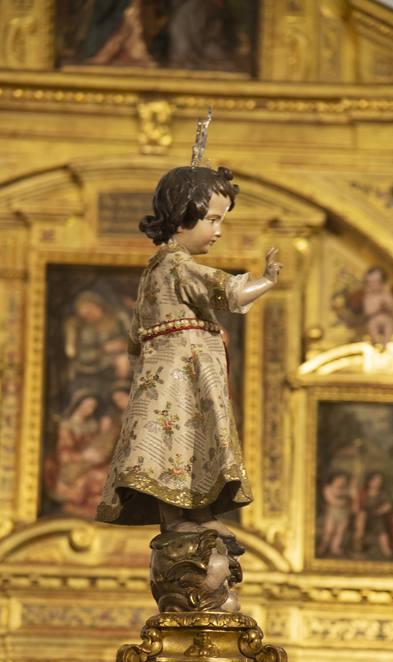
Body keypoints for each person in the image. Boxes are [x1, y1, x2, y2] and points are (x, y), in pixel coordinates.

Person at [96, 163, 281, 540]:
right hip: (177, 381)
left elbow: (136, 335)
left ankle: (199, 513)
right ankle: (178, 518)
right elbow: (229, 292)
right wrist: (266, 280)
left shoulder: (156, 269)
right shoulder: (176, 266)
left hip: (182, 378)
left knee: (192, 442)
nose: (218, 231)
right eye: (213, 219)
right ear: (184, 217)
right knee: (173, 443)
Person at [353, 471, 392, 558]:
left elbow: (388, 505)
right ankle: (358, 546)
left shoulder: (382, 493)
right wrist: (357, 508)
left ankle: (386, 549)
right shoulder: (363, 492)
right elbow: (356, 507)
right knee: (361, 519)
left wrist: (381, 510)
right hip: (363, 516)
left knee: (381, 529)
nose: (377, 483)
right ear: (369, 481)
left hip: (377, 515)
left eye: (379, 481)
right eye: (374, 480)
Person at [318, 472, 353, 557]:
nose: (341, 482)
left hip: (344, 514)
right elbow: (331, 500)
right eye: (339, 479)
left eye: (343, 480)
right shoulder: (328, 488)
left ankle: (335, 548)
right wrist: (343, 502)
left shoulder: (346, 489)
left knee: (340, 532)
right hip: (332, 513)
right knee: (329, 531)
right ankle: (323, 547)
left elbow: (352, 497)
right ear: (333, 479)